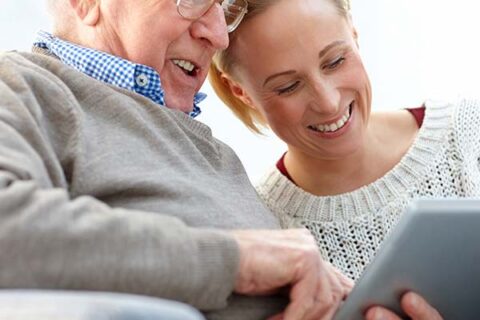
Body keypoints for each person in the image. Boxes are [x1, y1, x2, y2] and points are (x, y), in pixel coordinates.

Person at [0, 0, 355, 319]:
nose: (219, 36)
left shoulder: (215, 154)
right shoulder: (20, 87)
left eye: (225, 5)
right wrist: (235, 260)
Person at [210, 0, 480, 318]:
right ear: (240, 91)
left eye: (335, 61)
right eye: (288, 87)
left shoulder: (468, 134)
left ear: (353, 30)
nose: (328, 102)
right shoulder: (260, 230)